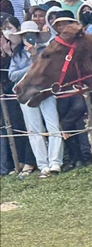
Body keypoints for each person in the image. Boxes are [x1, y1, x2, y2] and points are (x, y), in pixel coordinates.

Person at [5, 21, 63, 177]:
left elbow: (49, 72)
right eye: (25, 35)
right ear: (22, 37)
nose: (29, 38)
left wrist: (35, 57)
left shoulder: (46, 51)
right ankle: (43, 164)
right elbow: (12, 75)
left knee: (53, 125)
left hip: (45, 92)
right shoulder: (17, 55)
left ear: (37, 36)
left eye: (31, 34)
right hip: (26, 94)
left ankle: (55, 162)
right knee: (34, 129)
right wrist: (30, 64)